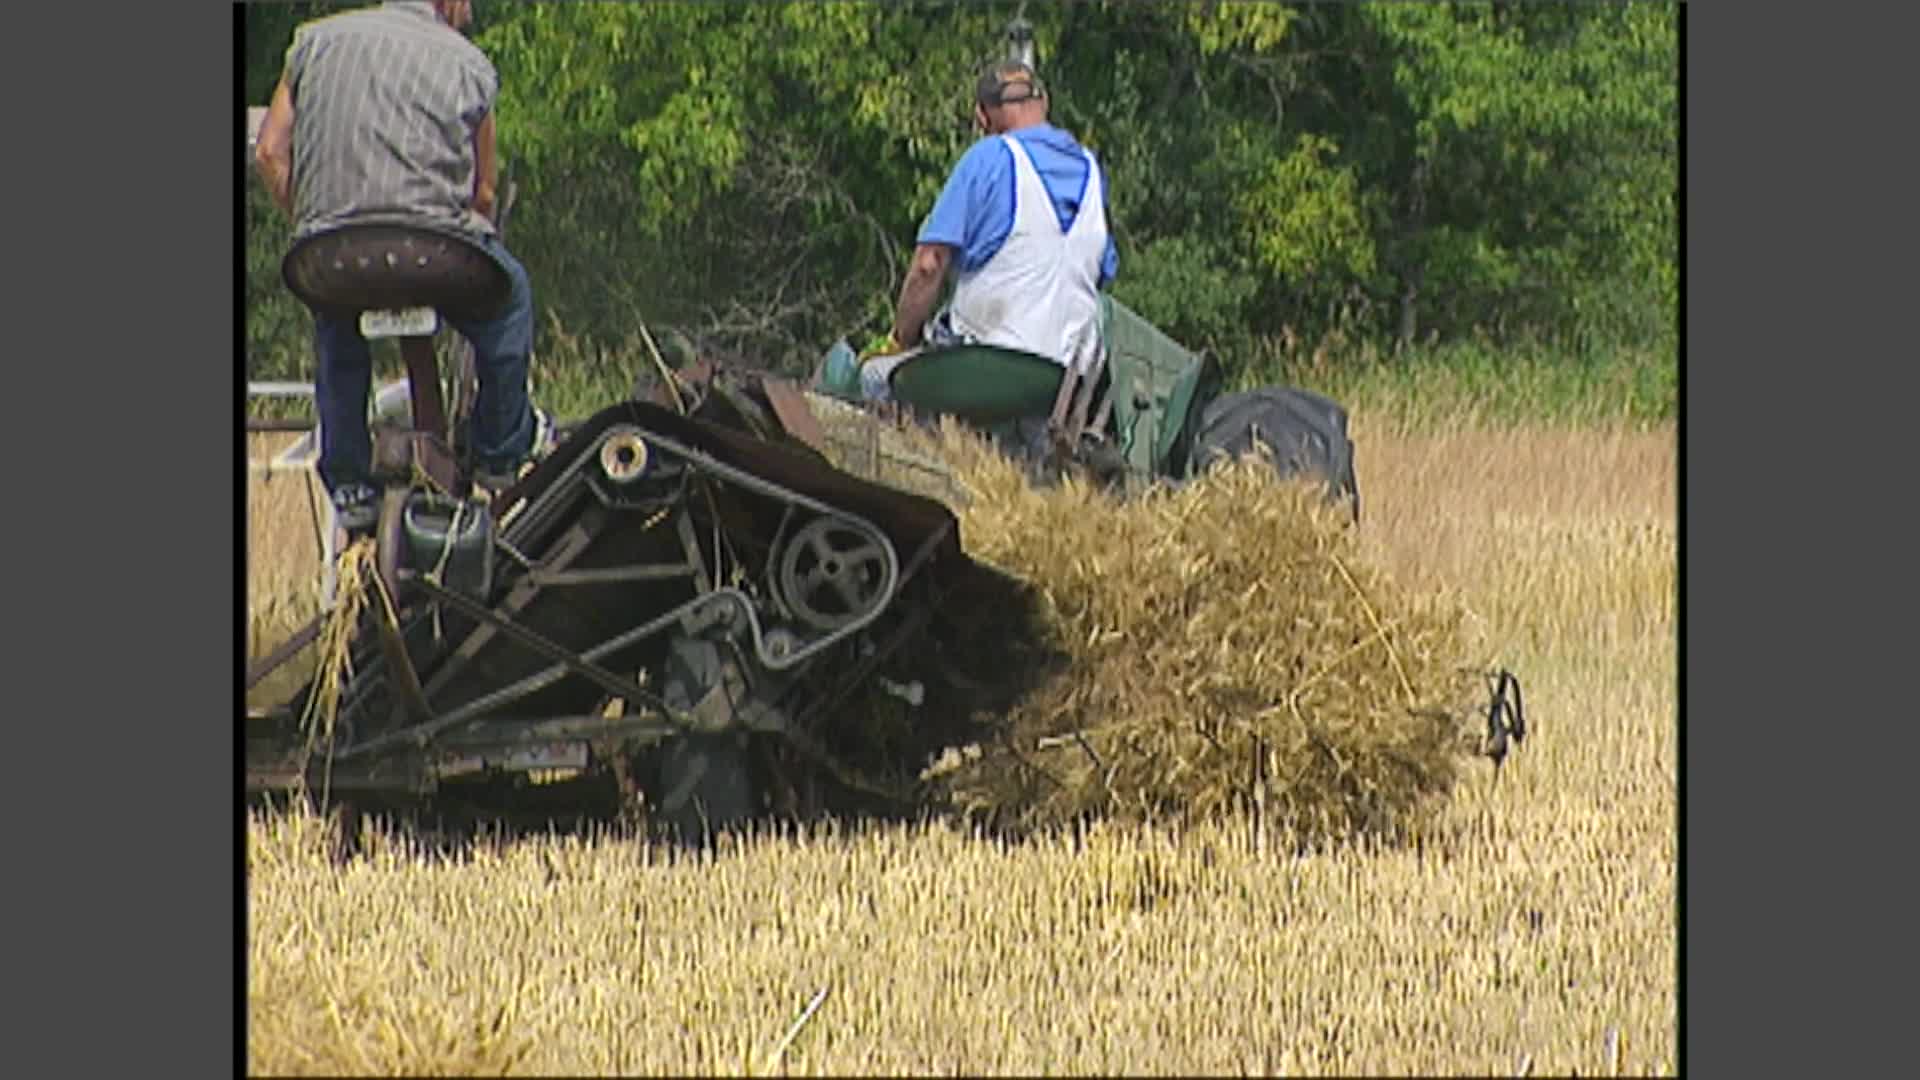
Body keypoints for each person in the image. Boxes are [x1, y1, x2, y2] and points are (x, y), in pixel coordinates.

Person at [252, 0, 552, 533]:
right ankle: (500, 453)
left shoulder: (312, 42)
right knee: (511, 302)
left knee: (338, 331)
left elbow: (270, 152)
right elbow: (483, 192)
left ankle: (350, 483)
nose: (469, 14)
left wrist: (311, 220)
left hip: (331, 253)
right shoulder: (470, 64)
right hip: (434, 253)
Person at [862, 59, 1119, 395]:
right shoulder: (1092, 173)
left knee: (872, 377)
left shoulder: (988, 158)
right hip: (1070, 380)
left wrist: (901, 339)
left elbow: (929, 264)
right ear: (1044, 101)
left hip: (990, 370)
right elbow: (1098, 274)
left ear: (982, 116)